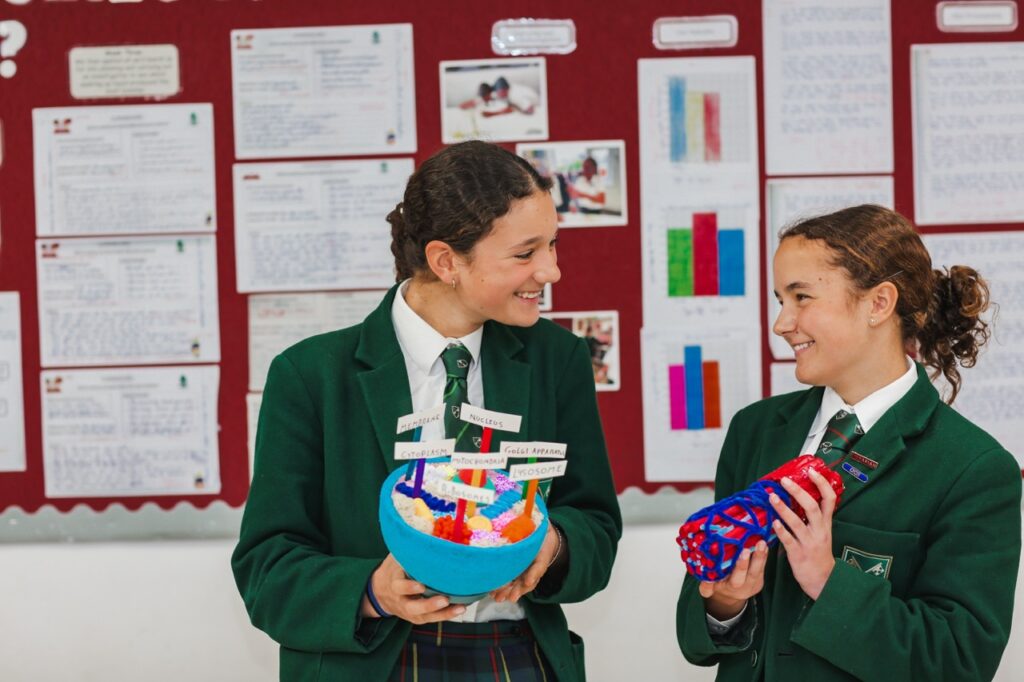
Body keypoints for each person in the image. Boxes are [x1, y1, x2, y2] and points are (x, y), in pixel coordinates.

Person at [232, 140, 621, 681]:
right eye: (525, 253)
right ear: (446, 261)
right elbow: (266, 569)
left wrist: (552, 546)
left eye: (553, 245)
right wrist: (374, 591)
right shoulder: (312, 375)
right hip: (370, 661)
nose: (551, 271)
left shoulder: (560, 359)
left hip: (514, 653)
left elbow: (597, 526)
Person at [677, 204, 1021, 681]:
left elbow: (958, 663)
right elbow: (699, 635)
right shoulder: (755, 430)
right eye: (781, 299)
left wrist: (828, 580)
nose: (782, 322)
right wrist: (725, 603)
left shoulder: (974, 468)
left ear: (879, 304)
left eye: (801, 298)